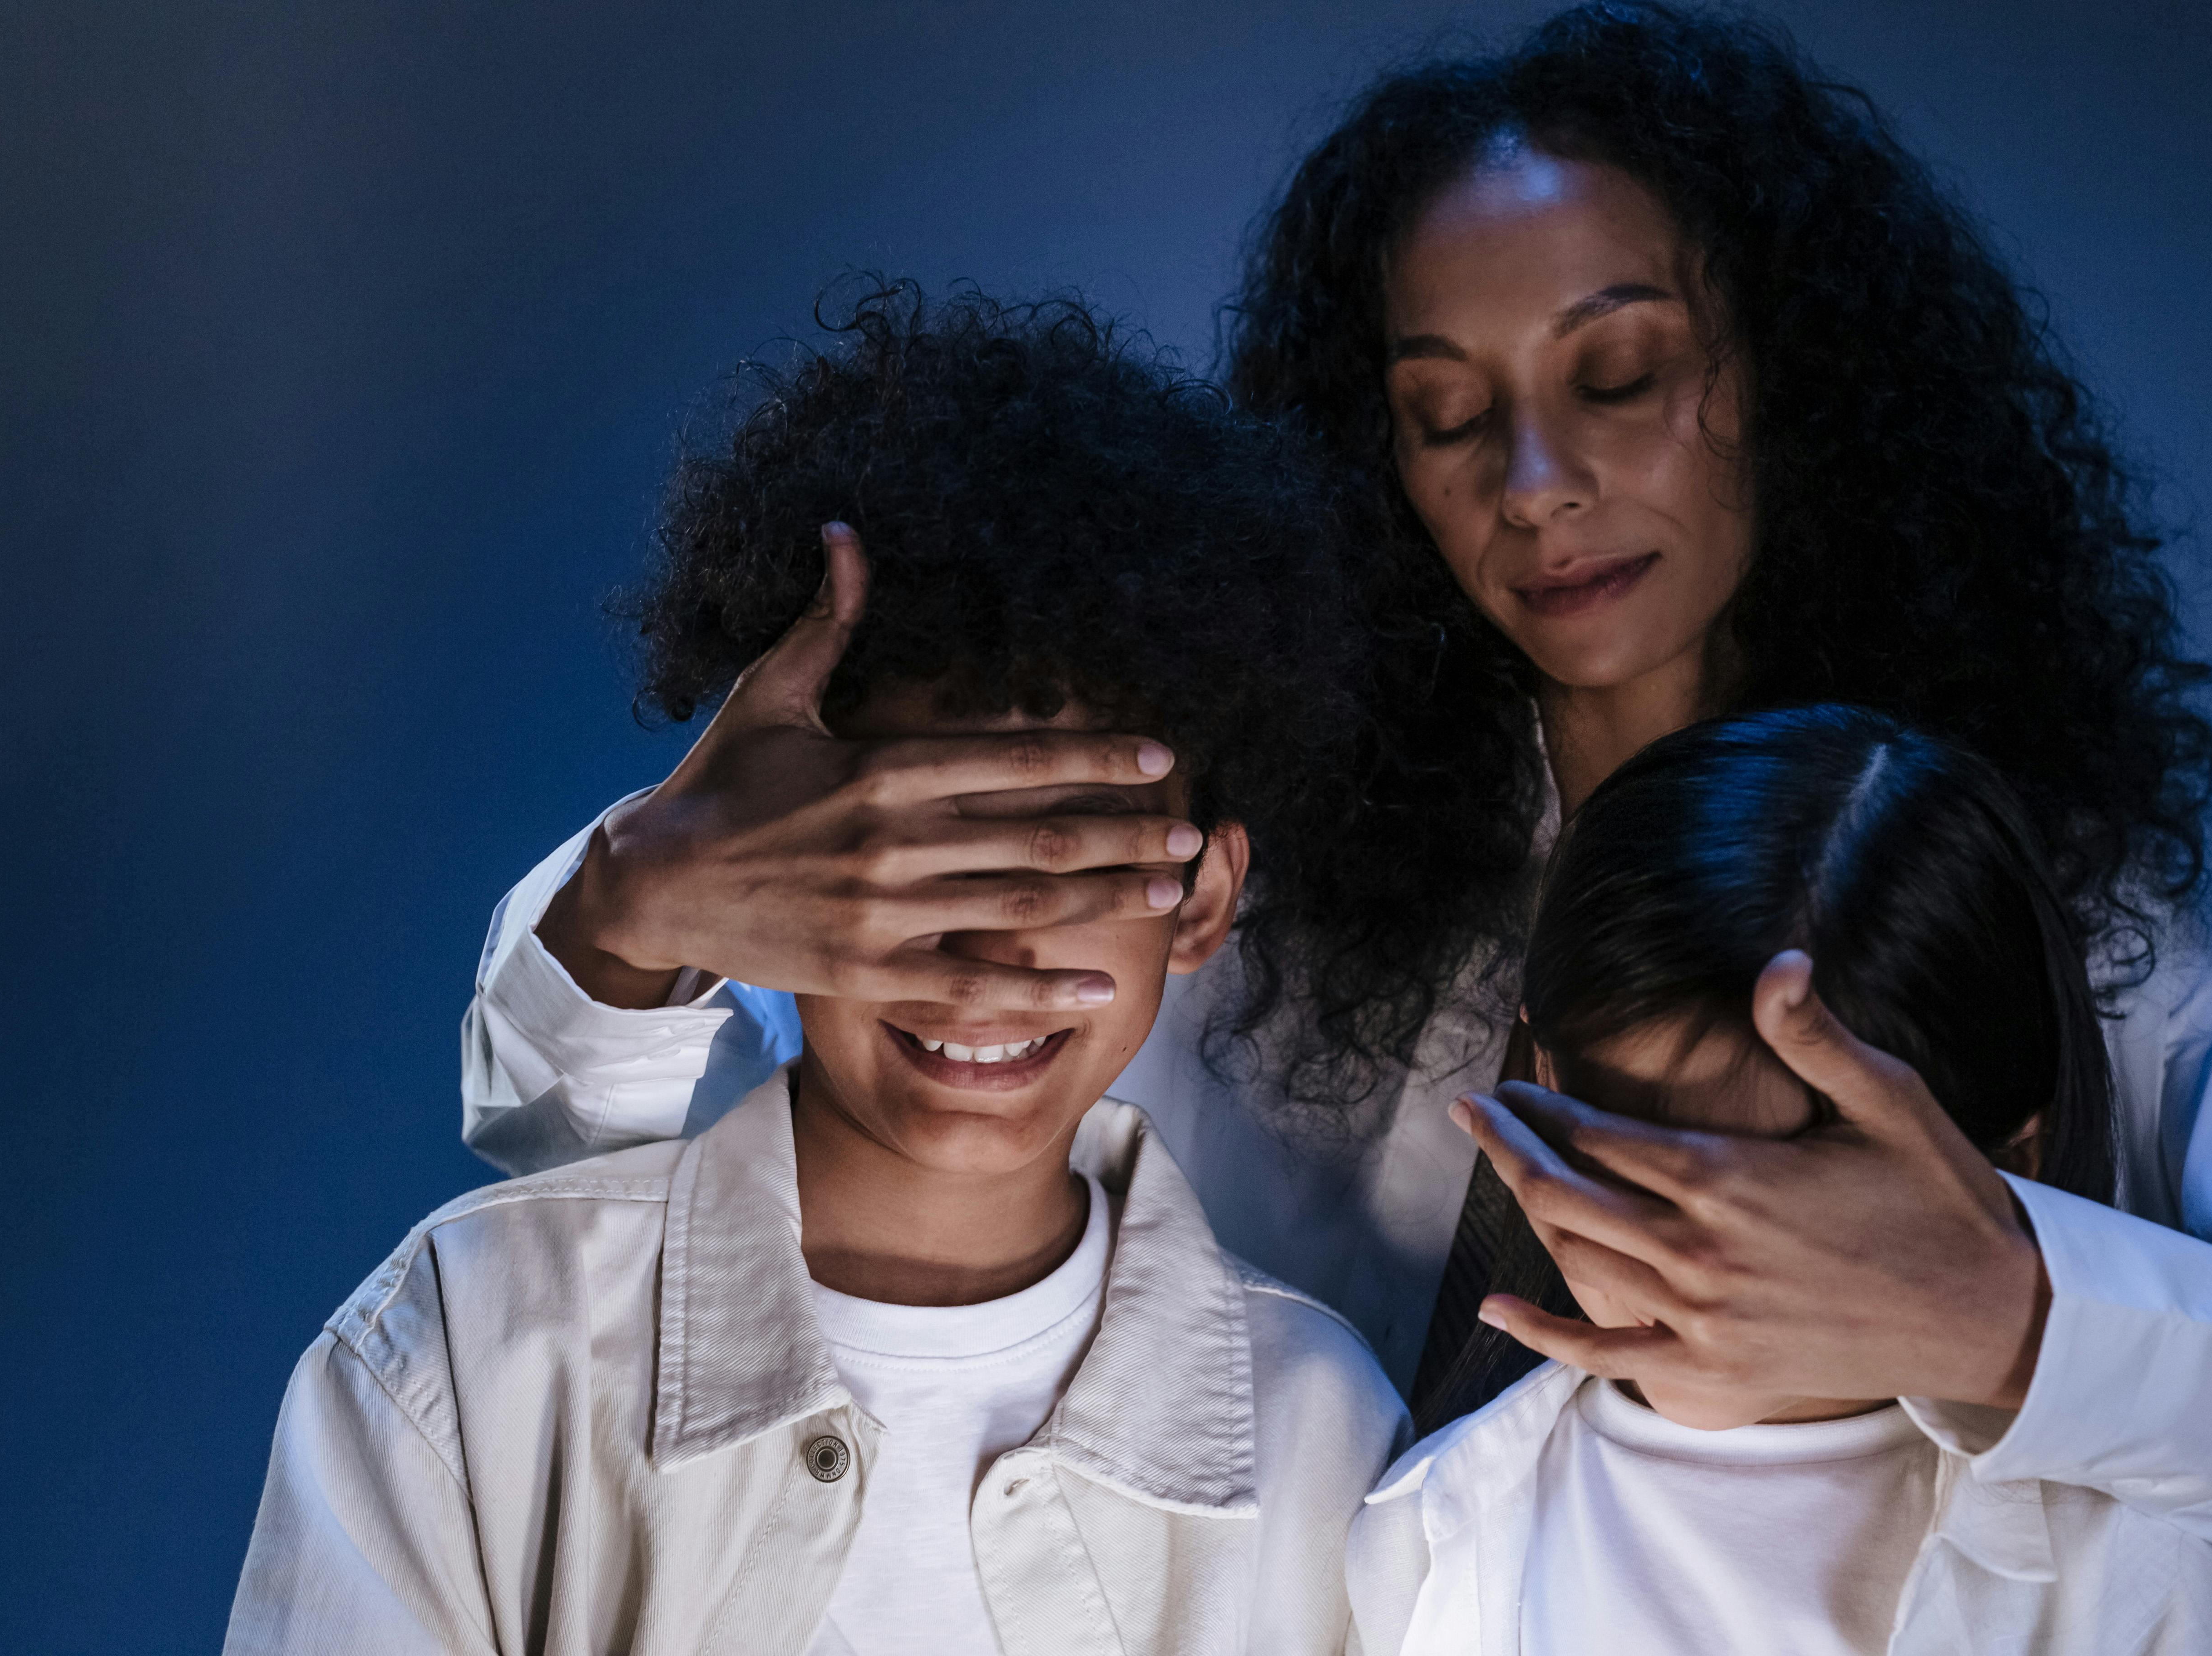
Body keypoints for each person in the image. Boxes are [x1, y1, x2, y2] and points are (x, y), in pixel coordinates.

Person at [458, 2, 2212, 1568]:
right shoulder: (1238, 917)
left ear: (1784, 377)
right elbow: (610, 1227)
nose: (1532, 479)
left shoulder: (2069, 938)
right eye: (1446, 413)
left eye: (1616, 374)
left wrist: (2011, 1312)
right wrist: (631, 912)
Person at [226, 287, 1407, 1656]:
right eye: (916, 855)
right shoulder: (466, 1354)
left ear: (1200, 899)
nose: (988, 958)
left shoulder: (1325, 1434)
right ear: (785, 872)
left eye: (1069, 858)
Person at [1347, 706, 2212, 1655]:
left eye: (1771, 1204)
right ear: (1543, 1079)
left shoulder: (2142, 1570)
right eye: (1637, 1174)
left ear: (2004, 1164)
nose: (1699, 1265)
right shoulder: (1433, 1528)